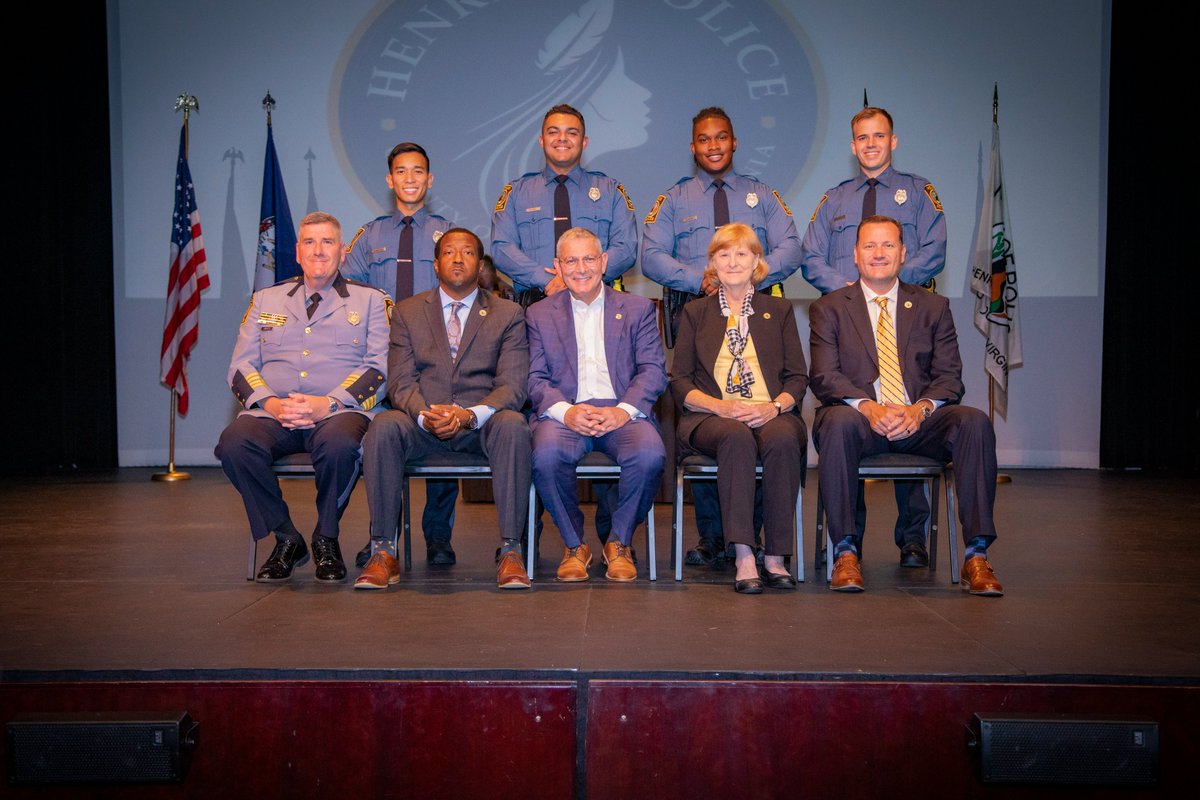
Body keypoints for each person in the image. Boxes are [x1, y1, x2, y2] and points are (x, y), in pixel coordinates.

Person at [642, 106, 802, 567]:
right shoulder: (673, 199)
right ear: (693, 147)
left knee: (761, 423)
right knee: (716, 416)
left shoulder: (762, 195)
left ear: (735, 143)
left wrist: (750, 273)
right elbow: (651, 254)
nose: (713, 145)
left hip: (755, 317)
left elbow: (792, 245)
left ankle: (753, 536)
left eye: (722, 137)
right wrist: (701, 278)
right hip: (700, 315)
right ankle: (714, 536)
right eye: (704, 139)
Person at [808, 215, 1003, 596]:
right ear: (855, 254)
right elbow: (824, 376)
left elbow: (950, 377)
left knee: (974, 422)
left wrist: (921, 409)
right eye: (869, 246)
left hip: (919, 422)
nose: (878, 253)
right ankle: (846, 552)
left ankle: (976, 556)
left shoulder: (932, 306)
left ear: (903, 253)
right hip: (860, 420)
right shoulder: (829, 308)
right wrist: (868, 407)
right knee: (838, 422)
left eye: (887, 245)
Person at [800, 107, 948, 567]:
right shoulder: (834, 199)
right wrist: (854, 290)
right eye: (862, 138)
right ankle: (851, 541)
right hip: (851, 321)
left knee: (908, 408)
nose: (870, 144)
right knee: (852, 421)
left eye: (878, 136)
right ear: (852, 145)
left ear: (893, 141)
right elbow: (811, 255)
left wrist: (889, 280)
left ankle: (913, 537)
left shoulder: (919, 192)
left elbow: (933, 249)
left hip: (903, 315)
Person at [216, 212, 390, 583]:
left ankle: (326, 537)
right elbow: (240, 367)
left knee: (341, 445)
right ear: (297, 252)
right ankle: (286, 536)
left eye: (328, 242)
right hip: (274, 414)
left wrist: (327, 403)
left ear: (342, 252)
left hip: (337, 412)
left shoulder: (372, 301)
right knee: (233, 444)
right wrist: (271, 404)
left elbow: (379, 370)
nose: (318, 250)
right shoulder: (267, 298)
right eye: (309, 242)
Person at [356, 228, 534, 591]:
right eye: (449, 252)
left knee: (514, 424)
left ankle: (512, 551)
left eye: (467, 252)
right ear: (435, 264)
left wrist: (470, 415)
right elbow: (401, 382)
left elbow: (512, 385)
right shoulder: (407, 312)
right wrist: (424, 414)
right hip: (423, 424)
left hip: (479, 426)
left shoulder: (508, 313)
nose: (457, 258)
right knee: (385, 425)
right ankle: (383, 551)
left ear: (480, 265)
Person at [670, 223, 809, 594]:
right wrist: (721, 407)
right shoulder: (695, 312)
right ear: (712, 263)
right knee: (736, 437)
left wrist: (774, 408)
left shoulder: (778, 311)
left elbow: (798, 377)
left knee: (782, 439)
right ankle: (745, 553)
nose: (733, 262)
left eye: (742, 253)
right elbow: (680, 381)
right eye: (724, 254)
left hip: (769, 412)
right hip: (710, 417)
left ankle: (776, 556)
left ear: (757, 261)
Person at [526, 228, 667, 582]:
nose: (581, 268)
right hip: (565, 413)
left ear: (604, 262)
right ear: (557, 266)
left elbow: (653, 371)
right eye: (571, 260)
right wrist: (567, 412)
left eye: (589, 258)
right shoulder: (539, 314)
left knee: (650, 455)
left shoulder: (637, 309)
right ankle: (575, 545)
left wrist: (622, 411)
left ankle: (618, 542)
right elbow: (534, 378)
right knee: (545, 456)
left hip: (623, 413)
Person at [343, 142, 459, 568]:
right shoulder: (370, 235)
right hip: (383, 353)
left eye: (418, 172)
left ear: (429, 180)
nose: (410, 179)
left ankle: (438, 535)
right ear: (390, 180)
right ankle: (382, 537)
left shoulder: (448, 234)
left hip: (435, 352)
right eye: (401, 172)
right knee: (380, 444)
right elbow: (347, 290)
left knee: (443, 436)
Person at [491, 103, 638, 307]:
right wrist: (548, 281)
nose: (562, 138)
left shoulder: (610, 190)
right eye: (553, 132)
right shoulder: (516, 193)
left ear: (584, 142)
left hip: (598, 304)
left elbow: (626, 248)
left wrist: (580, 277)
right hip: (536, 303)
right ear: (542, 141)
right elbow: (502, 249)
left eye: (572, 133)